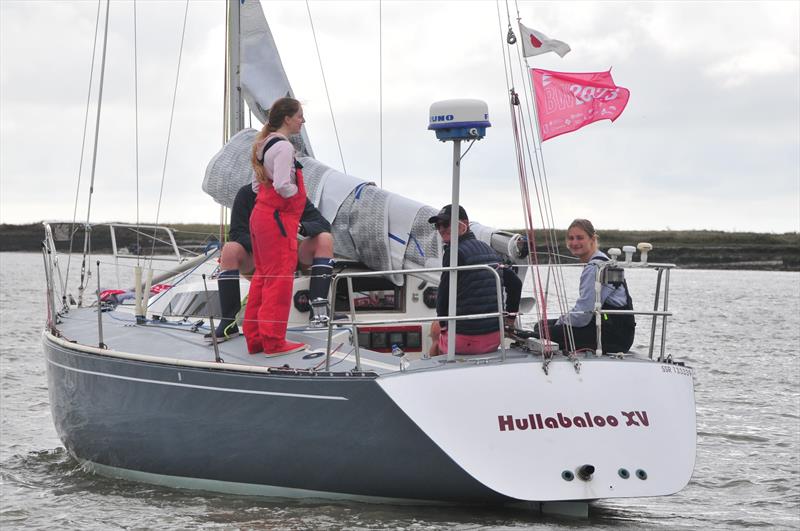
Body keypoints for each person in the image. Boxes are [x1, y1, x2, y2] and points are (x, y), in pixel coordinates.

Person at [243, 97, 331, 356]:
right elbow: (282, 184)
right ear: (287, 118)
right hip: (277, 220)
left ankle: (256, 338)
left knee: (262, 277)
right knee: (279, 280)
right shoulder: (283, 148)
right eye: (300, 115)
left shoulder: (263, 145)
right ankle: (273, 341)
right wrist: (296, 197)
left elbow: (258, 186)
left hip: (262, 217)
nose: (303, 120)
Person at [205, 183, 333, 342]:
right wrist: (267, 242)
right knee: (229, 250)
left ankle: (318, 313)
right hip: (260, 259)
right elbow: (237, 233)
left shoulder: (292, 194)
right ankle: (228, 323)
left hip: (291, 256)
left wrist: (300, 227)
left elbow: (323, 224)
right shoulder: (246, 194)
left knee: (324, 239)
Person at [427, 204, 522, 356]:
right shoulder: (489, 250)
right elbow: (516, 284)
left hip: (463, 341)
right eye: (438, 226)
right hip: (494, 338)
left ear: (463, 224)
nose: (441, 229)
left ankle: (431, 373)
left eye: (446, 224)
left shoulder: (453, 252)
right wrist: (510, 319)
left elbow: (443, 295)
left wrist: (444, 327)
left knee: (435, 329)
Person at [537, 218, 635, 354]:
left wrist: (560, 322)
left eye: (580, 238)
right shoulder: (603, 260)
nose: (574, 242)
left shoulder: (594, 267)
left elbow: (583, 315)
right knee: (544, 325)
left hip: (611, 337)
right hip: (619, 333)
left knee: (542, 329)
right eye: (571, 238)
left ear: (592, 239)